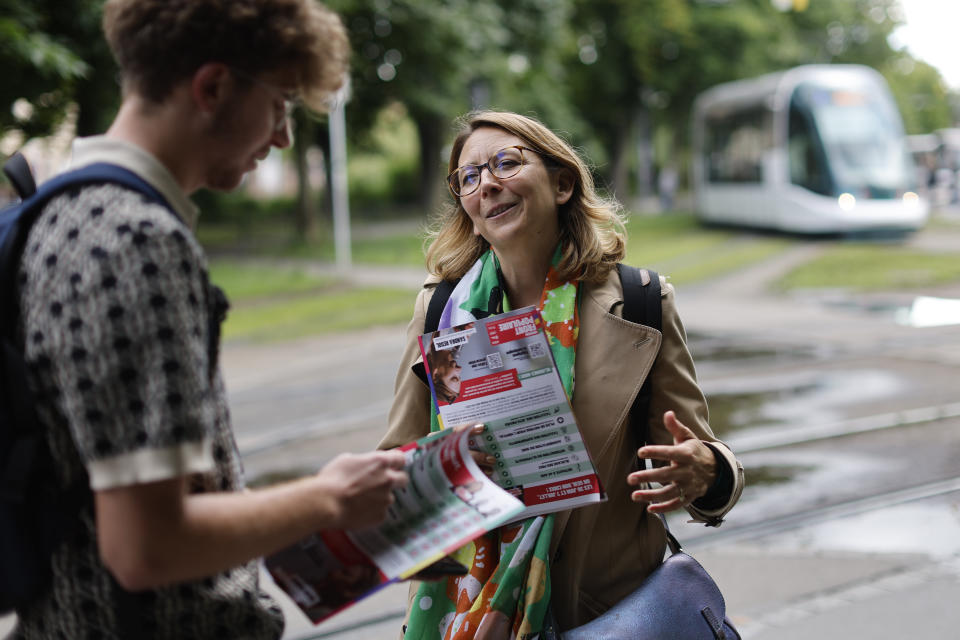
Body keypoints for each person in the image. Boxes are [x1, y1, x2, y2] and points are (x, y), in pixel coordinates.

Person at [11, 1, 408, 638]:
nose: (282, 135)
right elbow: (146, 548)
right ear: (214, 87)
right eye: (280, 102)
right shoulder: (135, 241)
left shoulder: (64, 214)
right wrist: (327, 499)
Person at [380, 111, 745, 639]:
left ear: (562, 183)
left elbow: (695, 456)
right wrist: (440, 468)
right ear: (466, 206)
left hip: (612, 614)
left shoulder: (642, 302)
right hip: (468, 615)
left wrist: (707, 471)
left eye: (506, 162)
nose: (488, 184)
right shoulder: (440, 310)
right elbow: (391, 473)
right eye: (469, 176)